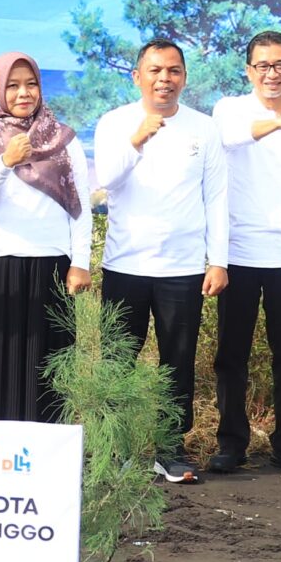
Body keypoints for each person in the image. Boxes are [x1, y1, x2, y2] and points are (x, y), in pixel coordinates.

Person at [92, 39, 230, 484]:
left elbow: (217, 197)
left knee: (178, 361)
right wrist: (137, 139)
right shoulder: (115, 123)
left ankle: (171, 449)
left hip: (184, 268)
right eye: (154, 71)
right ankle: (115, 448)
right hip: (125, 264)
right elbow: (104, 181)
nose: (164, 79)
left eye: (173, 71)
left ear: (184, 78)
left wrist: (218, 260)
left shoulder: (204, 129)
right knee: (117, 360)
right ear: (138, 77)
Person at [209, 31, 281, 474]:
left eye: (280, 65)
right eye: (262, 66)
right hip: (238, 253)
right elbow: (232, 140)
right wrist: (280, 123)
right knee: (231, 355)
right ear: (248, 71)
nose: (271, 74)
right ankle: (231, 443)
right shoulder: (229, 110)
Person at [0, 50, 91, 426]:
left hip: (53, 264)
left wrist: (80, 263)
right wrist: (6, 161)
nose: (23, 93)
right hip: (0, 264)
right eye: (13, 85)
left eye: (31, 84)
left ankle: (47, 457)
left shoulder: (63, 139)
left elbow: (79, 205)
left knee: (49, 368)